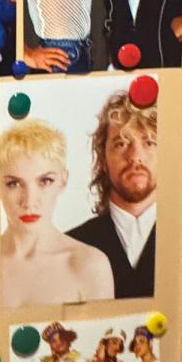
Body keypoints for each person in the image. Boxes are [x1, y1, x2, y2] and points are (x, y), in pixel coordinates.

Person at [0, 119, 114, 307]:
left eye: (45, 181)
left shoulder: (89, 265)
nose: (29, 201)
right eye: (14, 183)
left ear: (63, 180)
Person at [66, 89, 157, 298]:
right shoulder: (71, 247)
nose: (135, 157)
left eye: (149, 142)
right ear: (102, 160)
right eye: (121, 143)